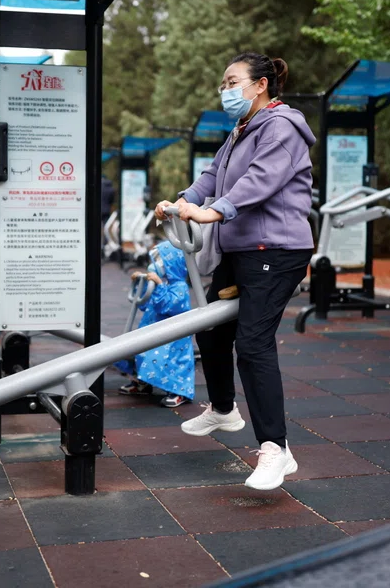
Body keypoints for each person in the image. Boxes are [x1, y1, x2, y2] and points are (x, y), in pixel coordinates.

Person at [155, 52, 315, 491]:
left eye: (232, 82)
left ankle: (275, 449)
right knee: (209, 329)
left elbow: (260, 180)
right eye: (223, 84)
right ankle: (224, 409)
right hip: (241, 248)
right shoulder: (241, 129)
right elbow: (212, 175)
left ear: (260, 85)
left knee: (253, 343)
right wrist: (180, 201)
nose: (225, 90)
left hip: (277, 248)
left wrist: (214, 212)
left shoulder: (281, 127)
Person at [115, 242, 195, 407]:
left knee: (159, 358)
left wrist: (158, 285)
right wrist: (141, 283)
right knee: (135, 350)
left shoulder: (179, 287)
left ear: (172, 264)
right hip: (153, 332)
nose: (155, 265)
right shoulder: (163, 284)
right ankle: (142, 382)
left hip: (171, 338)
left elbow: (165, 306)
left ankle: (179, 391)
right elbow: (144, 304)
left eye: (161, 262)